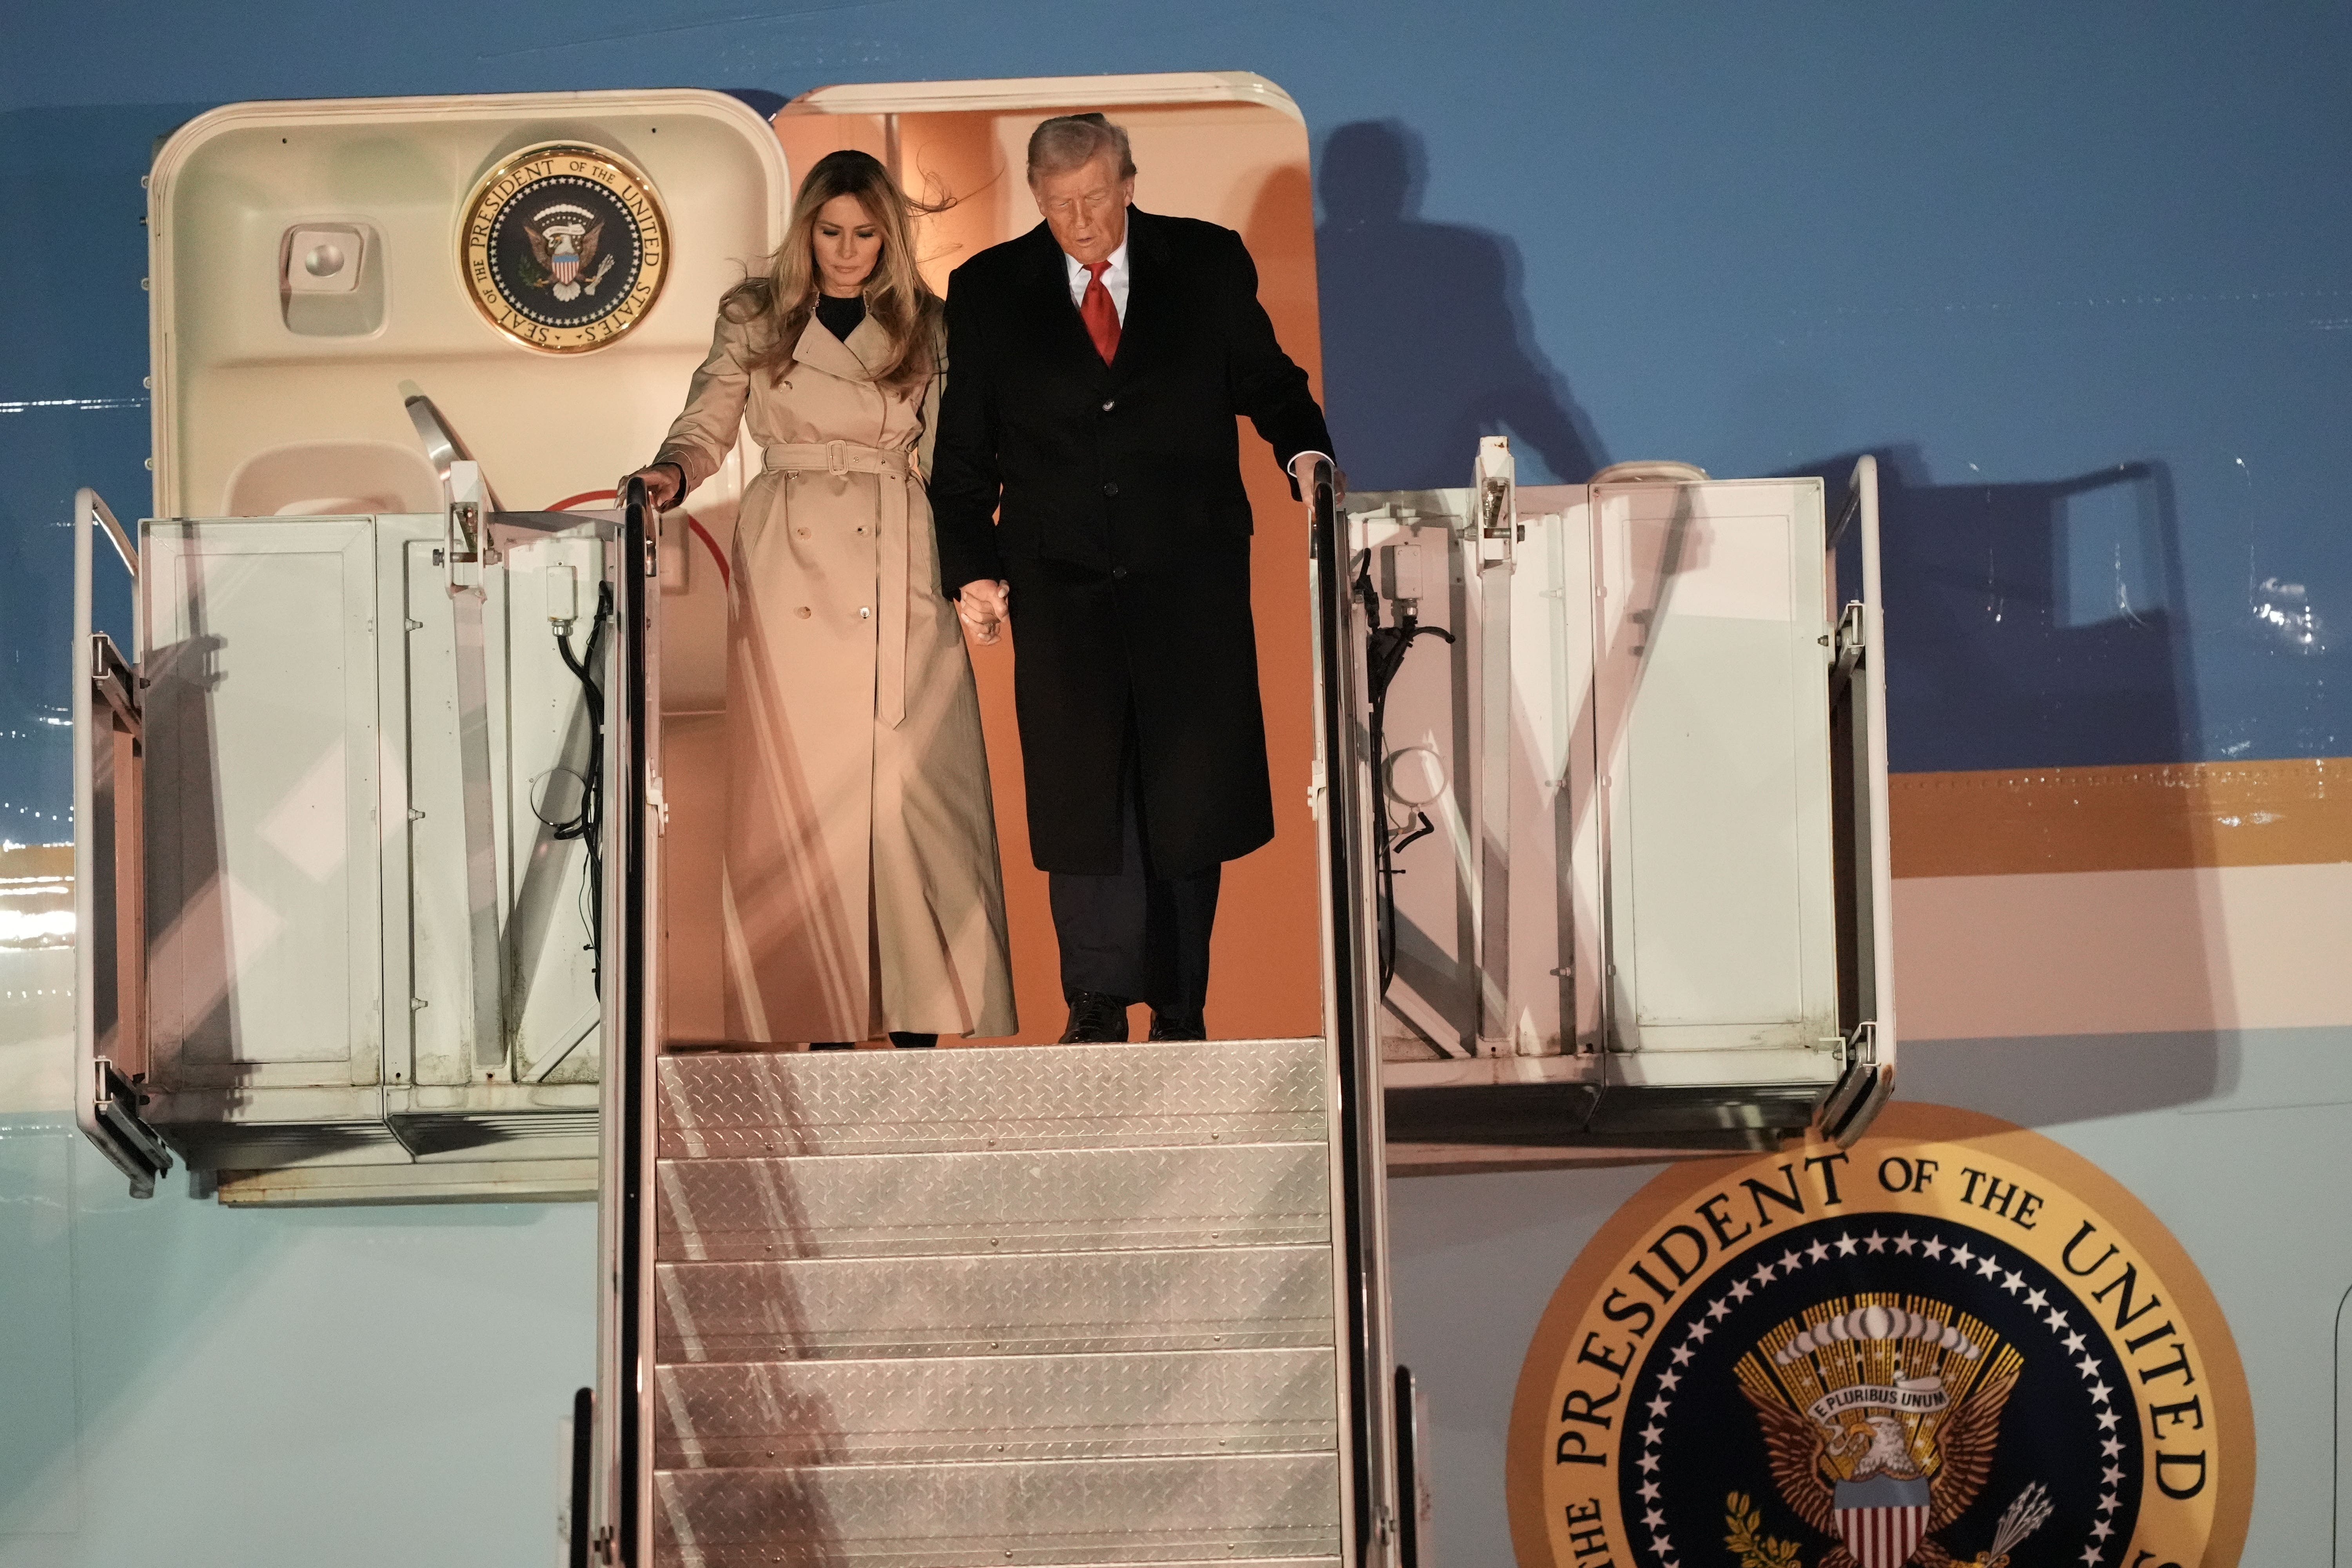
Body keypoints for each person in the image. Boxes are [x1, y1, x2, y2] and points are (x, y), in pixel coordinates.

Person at [930, 114, 1333, 1045]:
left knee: (1187, 791)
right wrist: (974, 570)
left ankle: (1181, 1005)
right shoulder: (989, 289)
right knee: (1086, 797)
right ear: (1037, 195)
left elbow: (1269, 383)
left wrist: (1306, 453)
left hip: (1186, 576)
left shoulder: (1205, 263)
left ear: (1129, 183)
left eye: (1096, 199)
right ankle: (1098, 1001)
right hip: (1061, 583)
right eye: (1059, 203)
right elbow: (962, 459)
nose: (1080, 221)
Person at [622, 149, 1015, 1051]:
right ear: (806, 231)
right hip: (790, 557)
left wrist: (973, 573)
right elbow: (709, 421)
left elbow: (953, 464)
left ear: (890, 235)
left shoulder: (928, 324)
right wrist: (669, 474)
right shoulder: (755, 317)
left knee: (915, 799)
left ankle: (922, 1025)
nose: (847, 251)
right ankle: (822, 1026)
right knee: (804, 808)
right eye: (831, 233)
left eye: (866, 234)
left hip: (898, 551)